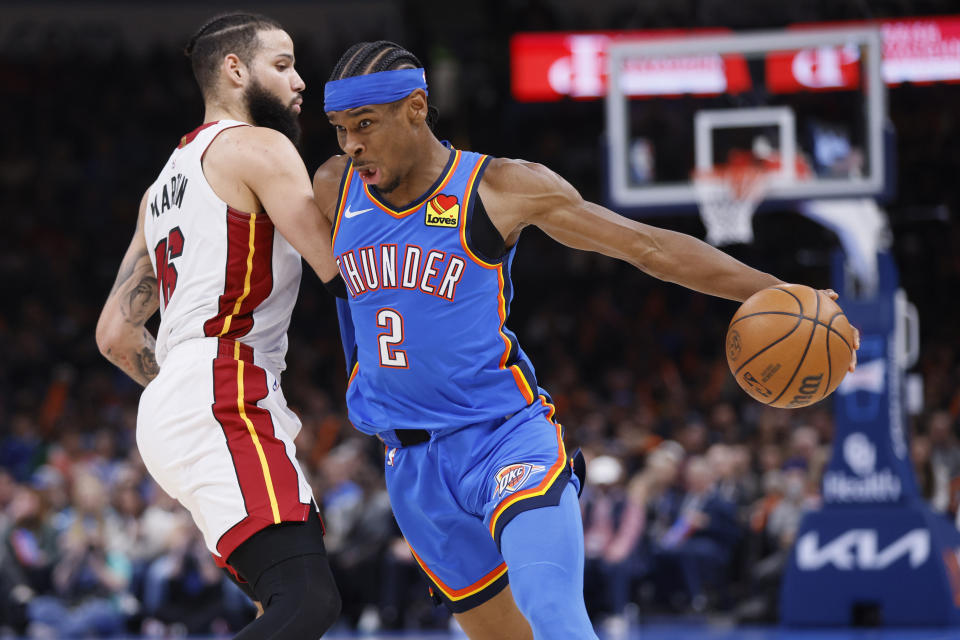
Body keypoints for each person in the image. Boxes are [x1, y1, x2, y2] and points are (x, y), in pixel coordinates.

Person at [313, 41, 859, 639]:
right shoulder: (335, 186)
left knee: (551, 610)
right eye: (340, 129)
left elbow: (646, 246)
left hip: (502, 438)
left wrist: (782, 290)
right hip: (409, 464)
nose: (351, 144)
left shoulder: (498, 186)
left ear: (416, 107)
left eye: (363, 125)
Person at [96, 13, 341, 639]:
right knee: (306, 601)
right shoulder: (259, 145)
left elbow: (115, 336)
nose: (301, 81)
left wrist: (180, 387)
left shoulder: (161, 187)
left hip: (179, 401)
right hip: (223, 385)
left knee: (280, 602)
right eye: (282, 65)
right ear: (235, 70)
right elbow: (336, 265)